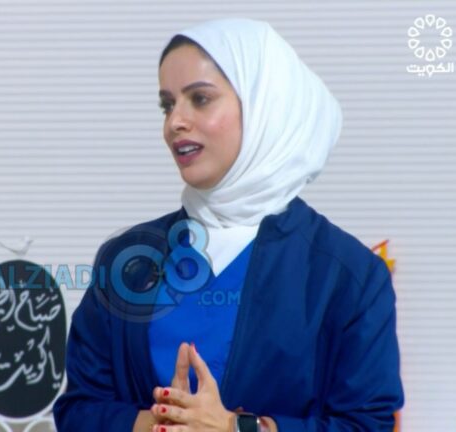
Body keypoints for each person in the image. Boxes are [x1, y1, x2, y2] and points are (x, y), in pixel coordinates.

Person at [53, 18, 404, 432]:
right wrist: (161, 423)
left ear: (263, 106)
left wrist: (237, 428)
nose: (174, 122)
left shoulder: (349, 276)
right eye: (168, 105)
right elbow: (79, 410)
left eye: (200, 99)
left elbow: (367, 425)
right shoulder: (127, 259)